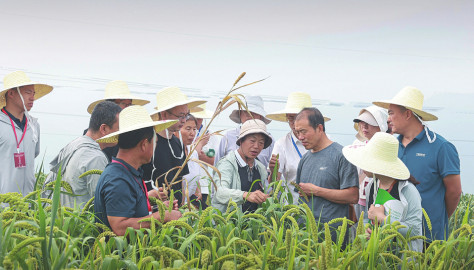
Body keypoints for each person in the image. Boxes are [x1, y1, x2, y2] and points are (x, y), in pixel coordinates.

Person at [373, 86, 461, 243]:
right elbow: (384, 184)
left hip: (429, 237)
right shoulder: (392, 146)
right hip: (393, 234)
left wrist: (436, 218)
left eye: (391, 113)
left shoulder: (441, 147)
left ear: (407, 114)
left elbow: (454, 192)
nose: (388, 119)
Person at [94, 106, 180, 235]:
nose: (155, 148)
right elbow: (120, 227)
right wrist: (164, 216)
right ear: (144, 144)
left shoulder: (127, 172)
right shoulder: (118, 179)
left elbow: (130, 211)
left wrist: (154, 205)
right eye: (154, 143)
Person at [343, 132, 423, 252]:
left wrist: (383, 218)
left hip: (403, 258)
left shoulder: (408, 190)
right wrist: (366, 229)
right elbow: (367, 217)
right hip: (378, 256)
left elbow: (414, 230)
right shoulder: (371, 186)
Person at [294, 107, 358, 247]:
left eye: (304, 131)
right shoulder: (305, 159)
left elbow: (353, 196)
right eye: (297, 132)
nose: (300, 137)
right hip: (306, 237)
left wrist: (316, 190)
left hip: (333, 239)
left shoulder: (341, 155)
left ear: (319, 128)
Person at [46, 101, 121, 208]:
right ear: (104, 129)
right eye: (119, 127)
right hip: (82, 222)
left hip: (63, 220)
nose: (121, 132)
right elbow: (103, 205)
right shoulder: (96, 158)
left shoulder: (73, 145)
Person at [266, 92, 330, 204]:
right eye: (291, 118)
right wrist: (273, 171)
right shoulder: (282, 144)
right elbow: (274, 184)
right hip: (293, 211)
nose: (295, 123)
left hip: (322, 209)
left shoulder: (327, 142)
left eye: (298, 117)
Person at [144, 86, 205, 204]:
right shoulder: (150, 143)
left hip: (176, 211)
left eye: (186, 115)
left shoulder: (178, 143)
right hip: (154, 211)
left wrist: (182, 206)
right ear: (164, 114)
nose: (183, 120)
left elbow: (181, 181)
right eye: (180, 116)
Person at [0, 71, 53, 196]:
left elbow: (34, 153)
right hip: (4, 204)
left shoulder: (33, 126)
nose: (32, 98)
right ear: (11, 93)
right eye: (28, 92)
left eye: (33, 93)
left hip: (29, 202)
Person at [212, 119, 272, 214]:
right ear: (241, 141)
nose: (256, 146)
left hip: (253, 224)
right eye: (252, 141)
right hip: (228, 225)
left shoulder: (260, 168)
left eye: (261, 143)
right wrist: (245, 195)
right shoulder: (227, 164)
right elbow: (220, 192)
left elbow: (268, 192)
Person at [86, 80, 150, 162]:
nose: (127, 108)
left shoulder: (130, 134)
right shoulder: (92, 134)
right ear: (111, 105)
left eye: (129, 104)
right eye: (123, 103)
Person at [214, 95, 275, 168]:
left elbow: (273, 170)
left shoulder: (269, 140)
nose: (249, 116)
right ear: (240, 114)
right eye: (246, 112)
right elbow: (217, 166)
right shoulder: (228, 137)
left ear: (260, 116)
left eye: (253, 113)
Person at [351, 105, 388, 220]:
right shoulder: (356, 144)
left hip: (381, 201)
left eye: (369, 123)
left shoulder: (389, 146)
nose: (364, 126)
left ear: (381, 125)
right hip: (359, 200)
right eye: (361, 122)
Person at [190, 103, 218, 208]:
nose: (197, 121)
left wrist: (201, 157)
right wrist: (196, 153)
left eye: (200, 118)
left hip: (203, 184)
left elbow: (216, 162)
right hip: (187, 184)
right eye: (195, 117)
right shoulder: (182, 133)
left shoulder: (210, 135)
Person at [178, 114, 203, 207]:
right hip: (179, 205)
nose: (192, 133)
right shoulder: (175, 154)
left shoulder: (193, 153)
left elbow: (196, 178)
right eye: (188, 129)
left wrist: (198, 191)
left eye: (194, 129)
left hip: (191, 205)